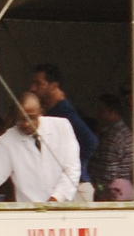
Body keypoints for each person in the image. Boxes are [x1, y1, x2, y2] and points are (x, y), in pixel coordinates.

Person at [0, 93, 80, 203]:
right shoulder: (6, 141)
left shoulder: (61, 127)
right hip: (29, 213)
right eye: (21, 119)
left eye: (31, 117)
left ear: (41, 112)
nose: (26, 124)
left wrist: (56, 199)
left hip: (64, 209)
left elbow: (72, 169)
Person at [29, 64, 96, 203]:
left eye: (39, 84)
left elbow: (90, 141)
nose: (33, 88)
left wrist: (74, 168)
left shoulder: (64, 112)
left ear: (54, 85)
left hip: (74, 187)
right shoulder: (54, 111)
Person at [90, 92, 133, 200]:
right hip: (126, 190)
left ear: (113, 112)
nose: (98, 114)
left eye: (101, 110)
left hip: (111, 193)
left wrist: (99, 188)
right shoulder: (126, 132)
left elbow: (107, 171)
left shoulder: (113, 136)